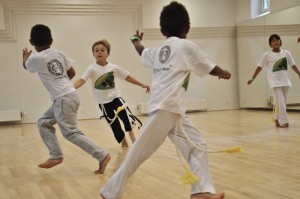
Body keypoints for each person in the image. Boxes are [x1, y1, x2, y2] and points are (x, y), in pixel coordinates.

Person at [100, 1, 231, 199]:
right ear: (187, 27)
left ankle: (201, 192)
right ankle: (110, 192)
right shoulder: (185, 46)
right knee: (137, 154)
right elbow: (210, 67)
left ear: (162, 30)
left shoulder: (158, 51)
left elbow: (141, 51)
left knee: (197, 146)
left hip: (173, 110)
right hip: (165, 108)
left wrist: (135, 39)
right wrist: (224, 73)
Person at [22, 24, 111, 174]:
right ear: (51, 40)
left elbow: (27, 67)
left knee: (70, 132)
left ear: (31, 42)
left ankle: (101, 154)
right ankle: (56, 155)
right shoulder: (59, 53)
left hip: (63, 99)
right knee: (43, 122)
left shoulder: (35, 58)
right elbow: (72, 72)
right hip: (69, 95)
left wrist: (25, 58)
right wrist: (61, 82)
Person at [74, 39, 150, 148]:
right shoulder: (91, 69)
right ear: (93, 54)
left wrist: (141, 84)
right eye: (96, 51)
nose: (99, 52)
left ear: (108, 53)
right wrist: (70, 88)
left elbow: (127, 77)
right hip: (102, 102)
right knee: (114, 124)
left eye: (102, 50)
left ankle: (133, 137)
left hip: (115, 97)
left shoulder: (113, 67)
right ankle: (123, 140)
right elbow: (81, 80)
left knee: (126, 116)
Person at [247, 34, 300, 128]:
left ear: (280, 41)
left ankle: (276, 119)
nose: (276, 42)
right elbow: (259, 67)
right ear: (270, 44)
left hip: (286, 80)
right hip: (275, 81)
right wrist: (253, 78)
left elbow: (293, 65)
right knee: (280, 101)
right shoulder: (267, 55)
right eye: (273, 41)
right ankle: (284, 121)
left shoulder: (286, 53)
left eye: (277, 40)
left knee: (282, 101)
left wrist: (299, 73)